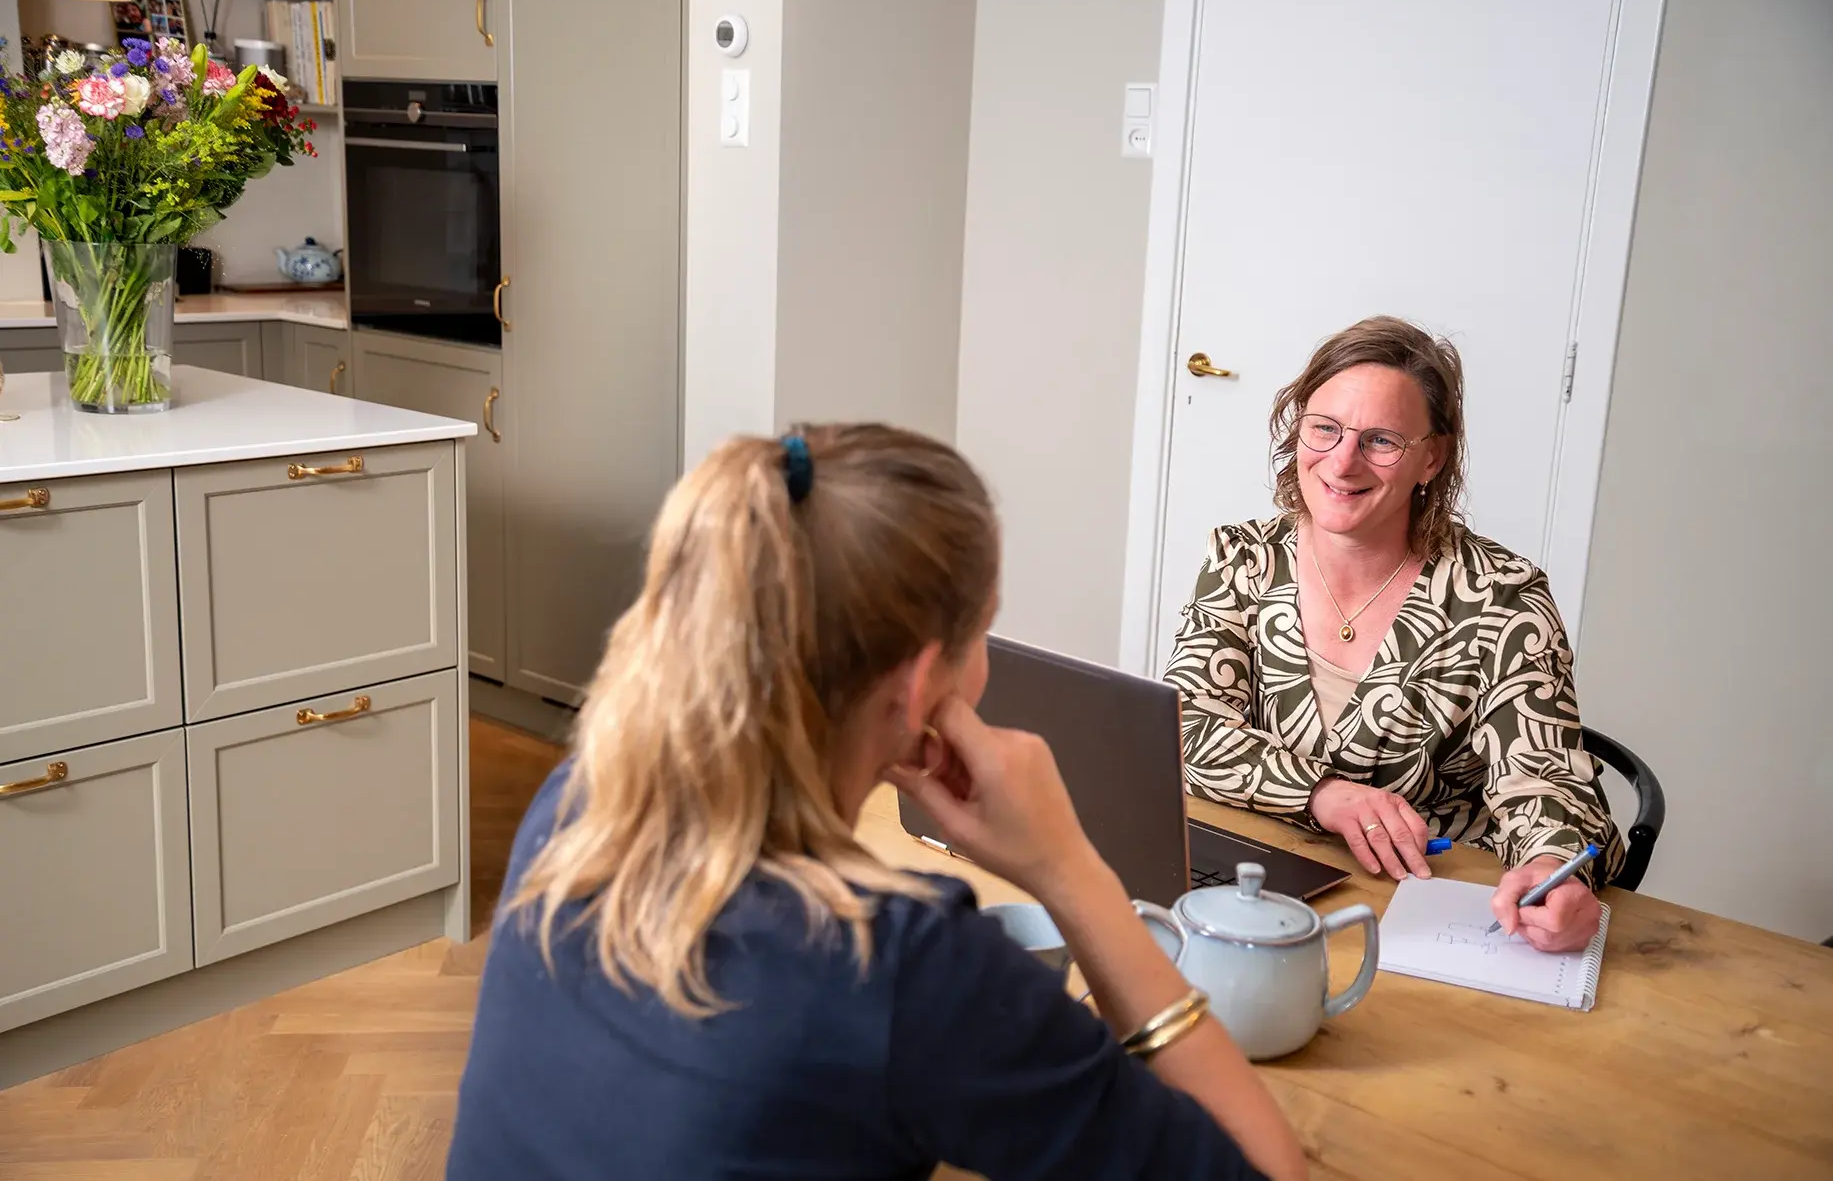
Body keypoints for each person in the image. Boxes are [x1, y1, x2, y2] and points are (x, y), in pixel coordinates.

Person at [448, 425, 1307, 1181]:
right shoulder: (900, 962)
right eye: (984, 631)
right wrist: (1072, 872)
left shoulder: (584, 799)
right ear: (922, 682)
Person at [1165, 316, 1624, 955]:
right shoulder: (1243, 556)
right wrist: (1321, 794)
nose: (1342, 461)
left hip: (1433, 909)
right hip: (1259, 890)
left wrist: (1551, 870)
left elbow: (1545, 780)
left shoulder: (1503, 598)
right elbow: (1183, 731)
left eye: (1381, 440)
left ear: (1431, 457)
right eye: (1325, 428)